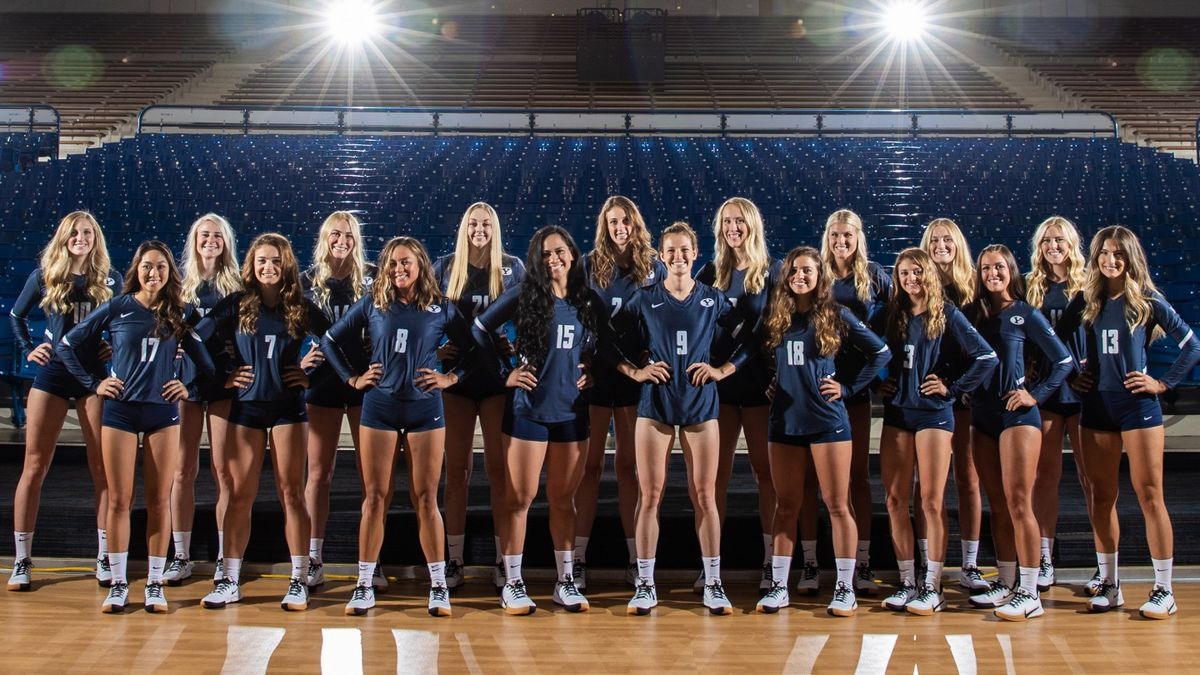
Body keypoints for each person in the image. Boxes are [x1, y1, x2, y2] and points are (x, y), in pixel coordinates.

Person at [60, 240, 214, 612]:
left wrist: (188, 386)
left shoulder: (180, 313)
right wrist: (94, 384)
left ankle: (155, 584)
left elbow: (208, 367)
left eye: (161, 267)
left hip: (163, 414)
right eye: (147, 266)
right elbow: (66, 345)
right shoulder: (117, 307)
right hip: (120, 412)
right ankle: (117, 583)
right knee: (118, 499)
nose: (154, 273)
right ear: (136, 269)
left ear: (169, 273)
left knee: (159, 500)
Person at [323, 236, 469, 617]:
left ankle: (438, 586)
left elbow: (476, 347)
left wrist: (450, 379)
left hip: (425, 409)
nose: (399, 269)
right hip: (380, 407)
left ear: (420, 264)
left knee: (425, 498)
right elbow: (329, 340)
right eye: (392, 263)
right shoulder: (373, 303)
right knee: (374, 498)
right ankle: (364, 583)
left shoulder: (441, 308)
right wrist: (353, 379)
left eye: (406, 262)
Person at [614, 221, 747, 616]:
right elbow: (608, 341)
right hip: (655, 403)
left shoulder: (713, 299)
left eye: (684, 250)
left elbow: (751, 338)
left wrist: (724, 370)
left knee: (705, 496)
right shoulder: (644, 297)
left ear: (695, 253)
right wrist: (636, 369)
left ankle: (713, 582)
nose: (677, 256)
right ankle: (644, 584)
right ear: (661, 255)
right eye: (670, 250)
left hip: (701, 404)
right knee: (650, 495)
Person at [195, 233, 331, 612]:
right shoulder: (236, 304)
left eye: (275, 261)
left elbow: (337, 345)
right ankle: (229, 580)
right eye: (261, 261)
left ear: (285, 264)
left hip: (288, 407)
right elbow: (194, 340)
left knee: (292, 492)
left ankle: (298, 579)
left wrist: (311, 378)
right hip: (247, 408)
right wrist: (222, 375)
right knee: (240, 495)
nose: (268, 267)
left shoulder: (301, 306)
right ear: (251, 266)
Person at [1070, 226, 1200, 618]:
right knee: (1101, 496)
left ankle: (1164, 589)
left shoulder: (1148, 300)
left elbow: (1192, 346)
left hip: (1137, 407)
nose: (1110, 260)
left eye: (1118, 254)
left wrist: (1163, 383)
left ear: (1130, 258)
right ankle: (1110, 585)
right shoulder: (1086, 300)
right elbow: (1055, 345)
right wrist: (1075, 372)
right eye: (1105, 254)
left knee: (1149, 494)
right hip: (1096, 408)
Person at [472, 225, 601, 615]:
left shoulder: (587, 300)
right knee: (519, 500)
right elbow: (479, 328)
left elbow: (603, 343)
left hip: (571, 413)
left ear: (573, 256)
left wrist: (592, 369)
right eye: (544, 254)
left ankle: (565, 582)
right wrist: (503, 373)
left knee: (564, 501)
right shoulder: (524, 295)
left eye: (559, 252)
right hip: (528, 411)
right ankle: (513, 582)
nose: (552, 259)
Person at [756, 246, 890, 616]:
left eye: (808, 271)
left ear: (819, 277)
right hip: (784, 422)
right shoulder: (776, 316)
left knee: (837, 504)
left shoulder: (836, 313)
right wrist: (775, 381)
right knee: (786, 506)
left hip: (829, 422)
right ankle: (780, 587)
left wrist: (848, 388)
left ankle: (845, 587)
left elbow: (881, 352)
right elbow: (763, 355)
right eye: (794, 271)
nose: (800, 276)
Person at [877, 248, 996, 616]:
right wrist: (879, 383)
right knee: (895, 500)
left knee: (930, 500)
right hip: (898, 413)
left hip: (934, 415)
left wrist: (955, 387)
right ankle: (908, 581)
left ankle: (933, 586)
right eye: (904, 273)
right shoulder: (893, 315)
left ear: (929, 274)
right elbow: (870, 352)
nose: (911, 279)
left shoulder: (948, 314)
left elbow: (986, 357)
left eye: (917, 272)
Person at [8, 211, 120, 592]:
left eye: (87, 232)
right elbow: (15, 315)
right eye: (74, 233)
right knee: (34, 466)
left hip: (94, 379)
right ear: (64, 237)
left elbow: (124, 323)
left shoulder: (110, 278)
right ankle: (22, 559)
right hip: (53, 374)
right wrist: (28, 348)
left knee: (102, 469)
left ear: (95, 238)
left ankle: (105, 555)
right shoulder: (45, 275)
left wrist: (113, 347)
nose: (81, 238)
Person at [966, 244, 1072, 622]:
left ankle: (1029, 592)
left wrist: (1036, 396)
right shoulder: (974, 315)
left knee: (1018, 502)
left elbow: (1063, 360)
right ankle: (1008, 581)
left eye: (999, 266)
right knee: (996, 503)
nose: (992, 273)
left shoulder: (1025, 313)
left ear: (1011, 269)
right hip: (983, 416)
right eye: (985, 268)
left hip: (1018, 417)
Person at [432, 202, 525, 591]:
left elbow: (528, 319)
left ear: (495, 227)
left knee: (500, 474)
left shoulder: (512, 266)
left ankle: (505, 561)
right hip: (456, 382)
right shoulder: (444, 266)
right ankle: (454, 560)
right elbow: (427, 318)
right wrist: (435, 352)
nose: (480, 229)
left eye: (487, 223)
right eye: (473, 223)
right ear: (464, 227)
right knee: (457, 474)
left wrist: (517, 355)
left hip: (496, 381)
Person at [576, 195, 665, 590]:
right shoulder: (587, 264)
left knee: (629, 469)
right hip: (595, 377)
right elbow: (573, 317)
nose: (620, 228)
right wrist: (578, 362)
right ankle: (576, 558)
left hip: (634, 378)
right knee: (589, 468)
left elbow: (665, 315)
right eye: (613, 221)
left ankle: (635, 559)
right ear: (604, 225)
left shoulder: (654, 266)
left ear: (635, 223)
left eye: (625, 221)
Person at [696, 197, 780, 592]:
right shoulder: (710, 271)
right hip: (720, 387)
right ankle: (711, 568)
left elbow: (775, 331)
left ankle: (771, 563)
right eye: (726, 221)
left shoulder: (772, 272)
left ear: (752, 225)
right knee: (716, 480)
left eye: (739, 221)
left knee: (767, 476)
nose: (733, 228)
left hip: (760, 384)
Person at [813, 208, 891, 595]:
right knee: (817, 480)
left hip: (854, 389)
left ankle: (862, 562)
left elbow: (897, 326)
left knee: (857, 475)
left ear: (859, 237)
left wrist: (885, 380)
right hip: (816, 388)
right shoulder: (815, 273)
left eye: (847, 235)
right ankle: (813, 564)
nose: (840, 242)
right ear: (826, 237)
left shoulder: (875, 276)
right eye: (834, 235)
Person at [300, 211, 377, 590]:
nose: (341, 240)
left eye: (348, 234)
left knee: (370, 477)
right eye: (335, 234)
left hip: (363, 382)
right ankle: (313, 557)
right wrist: (299, 360)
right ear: (324, 238)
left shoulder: (373, 278)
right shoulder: (306, 282)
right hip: (323, 383)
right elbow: (285, 329)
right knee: (319, 473)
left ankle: (371, 561)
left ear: (356, 239)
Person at [165, 213, 242, 587]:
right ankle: (180, 555)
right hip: (187, 384)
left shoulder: (239, 285)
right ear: (194, 240)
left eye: (217, 235)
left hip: (224, 382)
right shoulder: (178, 284)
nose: (210, 240)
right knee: (182, 470)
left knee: (224, 470)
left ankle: (225, 558)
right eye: (203, 234)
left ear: (225, 241)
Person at [1024, 216, 1091, 594]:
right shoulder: (1031, 286)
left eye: (1059, 240)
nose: (1053, 246)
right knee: (1044, 479)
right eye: (1047, 240)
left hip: (1082, 393)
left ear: (1071, 244)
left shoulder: (1087, 285)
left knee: (1091, 480)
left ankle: (1103, 564)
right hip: (1047, 393)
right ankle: (1045, 557)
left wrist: (1093, 369)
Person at [920, 217, 987, 591]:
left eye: (947, 239)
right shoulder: (918, 287)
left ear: (958, 243)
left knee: (967, 478)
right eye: (934, 240)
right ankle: (926, 561)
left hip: (966, 395)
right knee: (928, 487)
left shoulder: (975, 288)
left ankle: (971, 563)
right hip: (930, 396)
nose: (941, 245)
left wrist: (961, 386)